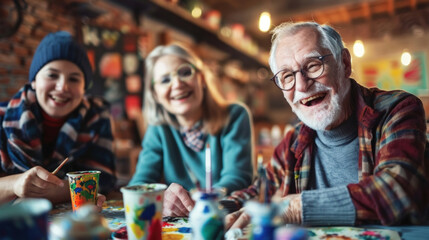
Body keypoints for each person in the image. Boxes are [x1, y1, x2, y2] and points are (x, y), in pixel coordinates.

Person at [225, 21, 429, 230]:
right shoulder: (294, 140)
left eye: (313, 65)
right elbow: (259, 191)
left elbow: (397, 189)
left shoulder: (397, 110)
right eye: (287, 76)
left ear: (345, 64)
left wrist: (294, 208)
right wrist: (209, 206)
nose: (302, 85)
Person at [128, 43, 254, 217]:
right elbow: (140, 184)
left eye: (185, 72)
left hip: (225, 219)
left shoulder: (235, 115)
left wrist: (204, 200)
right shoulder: (158, 129)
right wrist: (160, 199)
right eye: (165, 80)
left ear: (201, 79)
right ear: (155, 94)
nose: (177, 84)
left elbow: (237, 179)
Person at [0, 31, 116, 207]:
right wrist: (15, 184)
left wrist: (48, 193)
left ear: (84, 88)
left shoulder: (97, 119)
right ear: (34, 81)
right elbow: (88, 189)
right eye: (52, 75)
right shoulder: (2, 118)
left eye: (74, 78)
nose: (62, 87)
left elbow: (103, 182)